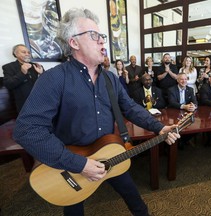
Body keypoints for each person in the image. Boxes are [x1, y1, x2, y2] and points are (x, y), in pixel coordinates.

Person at [12, 8, 180, 216]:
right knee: (73, 208)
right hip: (71, 164)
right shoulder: (54, 79)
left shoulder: (109, 78)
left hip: (109, 153)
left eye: (102, 36)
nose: (102, 41)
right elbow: (27, 130)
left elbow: (130, 107)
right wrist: (79, 164)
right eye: (94, 36)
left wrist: (160, 127)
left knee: (135, 200)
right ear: (74, 42)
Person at [2, 44, 44, 113]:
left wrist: (41, 74)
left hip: (41, 101)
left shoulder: (36, 66)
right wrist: (22, 73)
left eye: (29, 52)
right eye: (24, 52)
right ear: (16, 54)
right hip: (23, 104)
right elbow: (9, 85)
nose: (27, 54)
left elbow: (47, 83)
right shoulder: (8, 67)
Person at [167, 72, 198, 150]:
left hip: (186, 114)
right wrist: (184, 106)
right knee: (175, 128)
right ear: (177, 80)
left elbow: (195, 102)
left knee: (195, 128)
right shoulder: (171, 89)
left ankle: (182, 141)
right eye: (181, 79)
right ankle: (177, 143)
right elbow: (172, 102)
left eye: (185, 79)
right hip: (174, 113)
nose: (184, 81)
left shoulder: (190, 89)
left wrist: (194, 106)